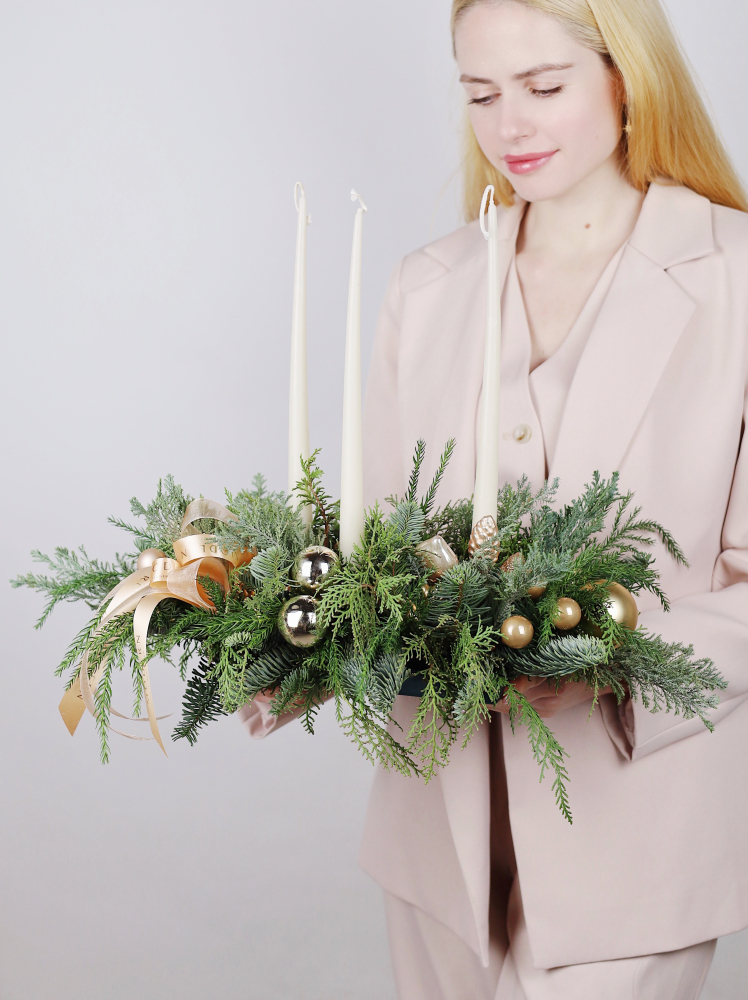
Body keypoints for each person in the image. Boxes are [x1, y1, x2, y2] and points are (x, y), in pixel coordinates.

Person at [242, 0, 748, 996]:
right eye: (479, 94)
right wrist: (297, 648)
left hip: (638, 843)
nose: (508, 126)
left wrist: (604, 659)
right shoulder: (427, 287)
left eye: (543, 87)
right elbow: (371, 557)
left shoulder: (734, 279)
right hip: (439, 840)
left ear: (626, 78)